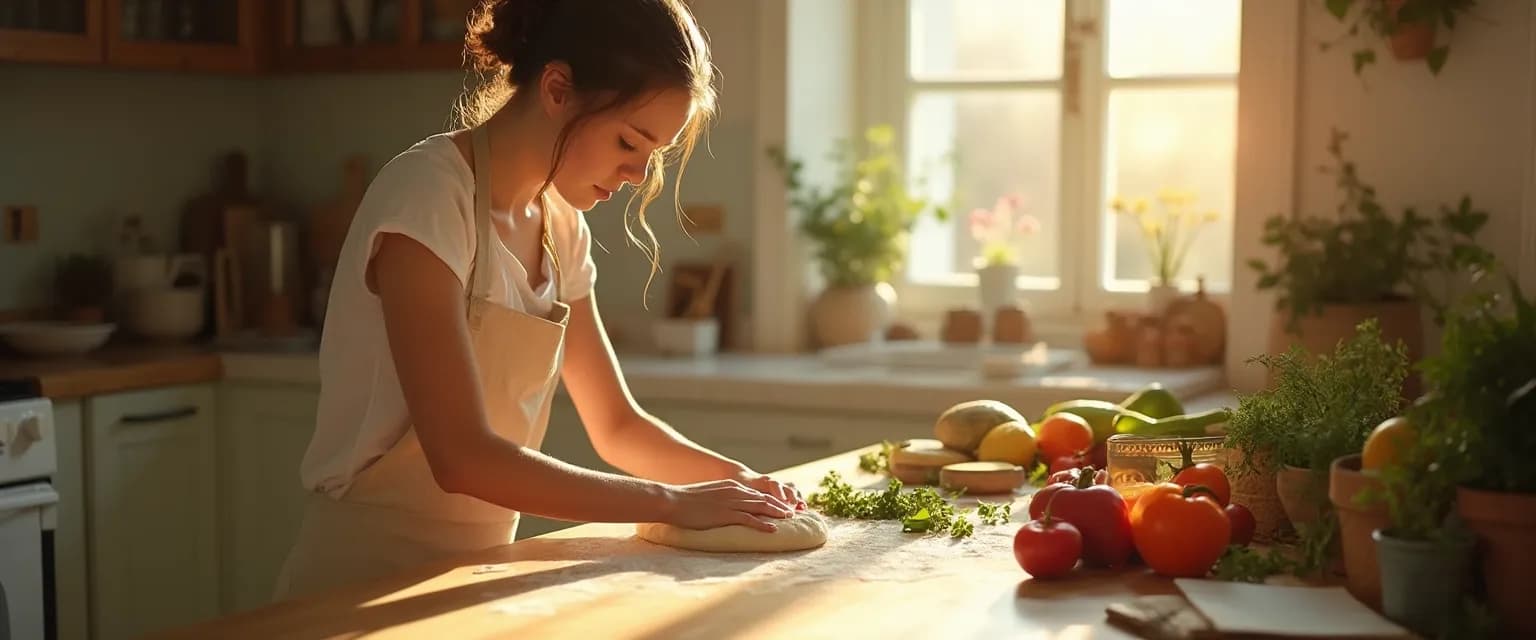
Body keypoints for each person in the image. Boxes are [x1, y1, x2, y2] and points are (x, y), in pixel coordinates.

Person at [274, 0, 804, 600]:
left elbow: (618, 425)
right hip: (356, 585)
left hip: (475, 581)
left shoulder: (561, 226)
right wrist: (676, 503)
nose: (635, 174)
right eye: (629, 140)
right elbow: (462, 457)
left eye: (651, 156)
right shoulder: (426, 197)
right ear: (557, 88)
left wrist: (743, 485)